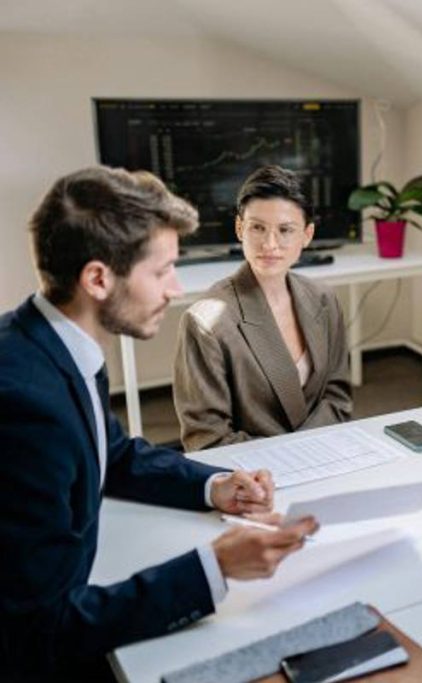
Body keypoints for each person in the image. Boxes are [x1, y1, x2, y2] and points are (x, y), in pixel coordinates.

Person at [0, 167, 319, 680]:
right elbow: (46, 627)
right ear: (98, 279)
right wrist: (213, 567)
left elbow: (115, 454)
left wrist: (216, 486)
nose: (175, 288)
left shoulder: (48, 342)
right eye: (162, 270)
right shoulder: (27, 407)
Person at [173, 165, 352, 451]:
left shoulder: (324, 299)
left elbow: (338, 399)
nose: (270, 244)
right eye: (257, 228)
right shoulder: (206, 322)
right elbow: (207, 438)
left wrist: (310, 451)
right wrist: (292, 455)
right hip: (253, 477)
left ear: (306, 235)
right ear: (239, 229)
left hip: (324, 452)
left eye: (285, 230)